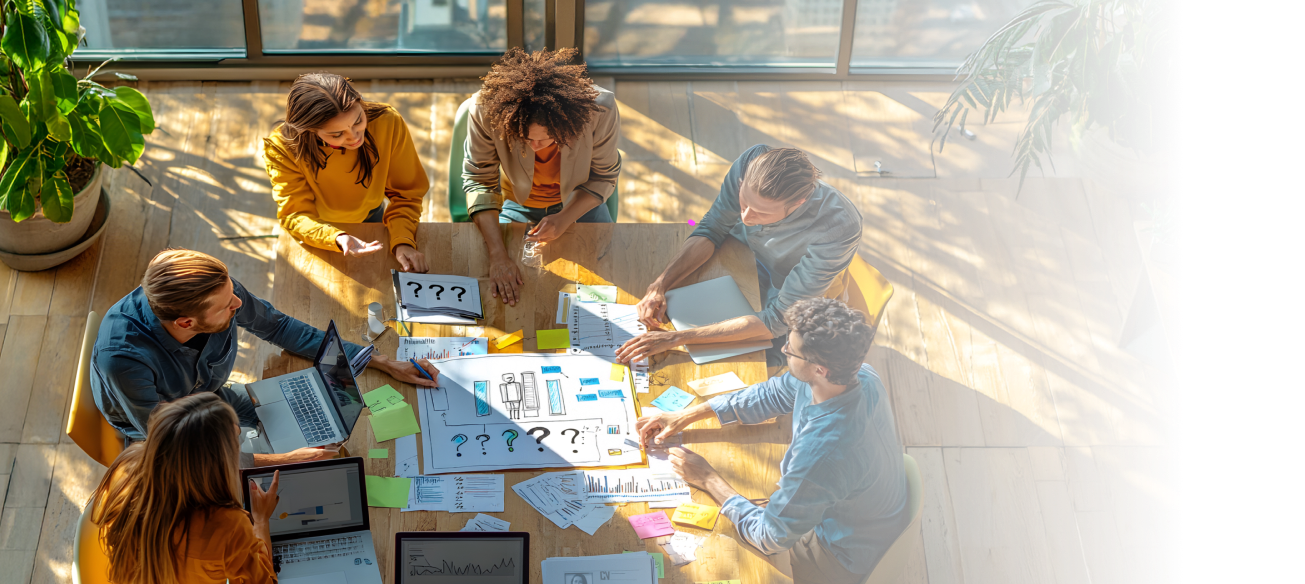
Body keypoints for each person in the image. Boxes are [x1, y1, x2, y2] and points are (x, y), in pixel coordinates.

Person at [634, 298, 905, 584]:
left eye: (790, 351)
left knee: (701, 564)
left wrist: (709, 479)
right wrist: (687, 414)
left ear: (819, 370)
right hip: (849, 512)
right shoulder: (861, 375)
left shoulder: (823, 454)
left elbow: (769, 537)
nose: (785, 352)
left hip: (837, 553)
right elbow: (773, 393)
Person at [91, 248, 439, 466]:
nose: (238, 304)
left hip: (210, 396)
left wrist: (378, 360)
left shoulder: (215, 288)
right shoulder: (123, 358)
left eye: (232, 292)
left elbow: (279, 327)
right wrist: (280, 460)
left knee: (319, 427)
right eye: (228, 306)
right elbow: (173, 445)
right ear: (186, 323)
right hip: (165, 436)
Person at [618, 146, 862, 368]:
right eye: (743, 202)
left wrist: (677, 338)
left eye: (761, 213)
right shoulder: (749, 161)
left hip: (785, 293)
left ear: (799, 203)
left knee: (734, 365)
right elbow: (713, 227)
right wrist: (660, 285)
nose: (745, 218)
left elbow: (777, 319)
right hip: (739, 257)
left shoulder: (837, 227)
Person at [96, 393, 282, 584]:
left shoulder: (127, 467)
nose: (240, 443)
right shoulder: (226, 525)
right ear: (214, 462)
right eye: (236, 442)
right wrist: (260, 521)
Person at [463, 48, 621, 305]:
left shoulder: (600, 110)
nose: (535, 147)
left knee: (605, 279)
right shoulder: (484, 110)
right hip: (515, 202)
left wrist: (564, 217)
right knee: (512, 290)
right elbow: (480, 180)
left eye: (546, 139)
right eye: (524, 139)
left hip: (579, 204)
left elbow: (604, 177)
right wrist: (498, 256)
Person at [264, 72, 431, 273]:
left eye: (358, 120)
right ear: (308, 130)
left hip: (371, 212)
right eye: (336, 134)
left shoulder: (388, 122)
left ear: (360, 102)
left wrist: (403, 241)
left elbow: (407, 194)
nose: (353, 137)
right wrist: (335, 237)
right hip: (316, 227)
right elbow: (295, 214)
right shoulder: (281, 146)